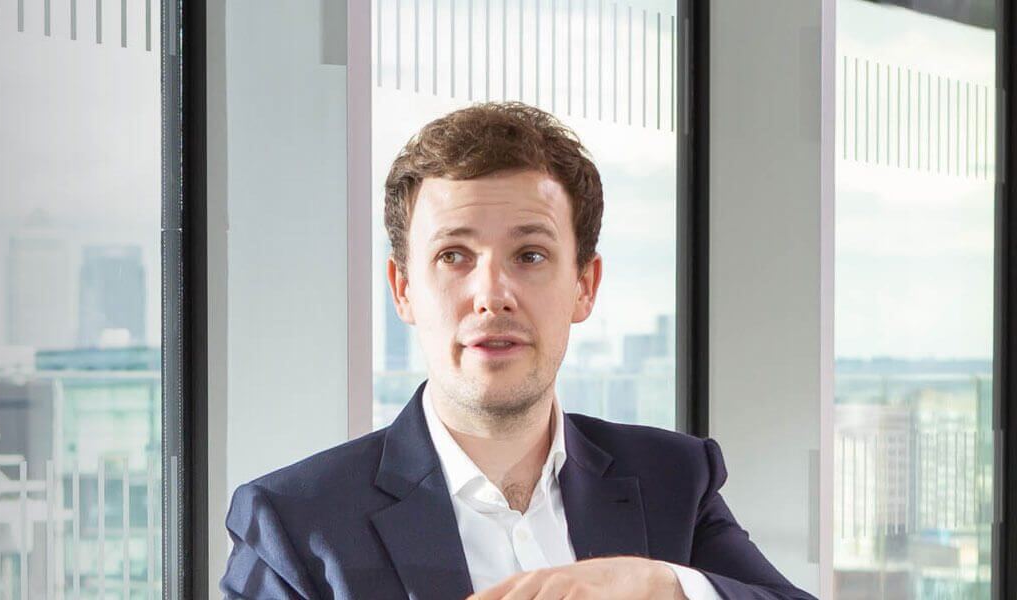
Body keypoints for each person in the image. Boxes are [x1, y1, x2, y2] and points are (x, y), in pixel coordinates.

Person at [219, 103, 812, 600]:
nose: (491, 296)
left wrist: (663, 586)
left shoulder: (673, 480)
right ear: (403, 290)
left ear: (585, 285)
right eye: (453, 256)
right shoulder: (294, 523)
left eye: (529, 255)